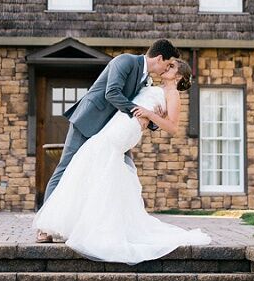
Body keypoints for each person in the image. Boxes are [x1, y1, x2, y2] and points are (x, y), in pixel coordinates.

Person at [33, 57, 211, 264]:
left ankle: (91, 227)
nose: (166, 68)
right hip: (116, 123)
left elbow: (172, 126)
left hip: (126, 129)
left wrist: (149, 115)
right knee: (94, 165)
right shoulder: (148, 82)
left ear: (178, 76)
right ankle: (78, 223)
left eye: (172, 67)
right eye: (168, 64)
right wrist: (150, 114)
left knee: (96, 156)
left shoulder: (172, 94)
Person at [36, 39, 180, 244]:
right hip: (87, 122)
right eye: (167, 64)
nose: (167, 68)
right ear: (159, 58)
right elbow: (111, 92)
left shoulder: (146, 79)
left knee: (125, 171)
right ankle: (44, 226)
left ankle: (115, 226)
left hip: (111, 132)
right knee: (65, 168)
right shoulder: (125, 61)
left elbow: (142, 108)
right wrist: (135, 111)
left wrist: (152, 121)